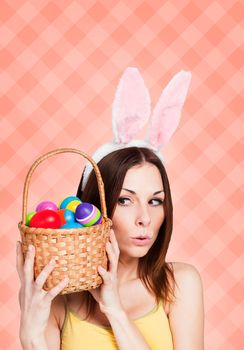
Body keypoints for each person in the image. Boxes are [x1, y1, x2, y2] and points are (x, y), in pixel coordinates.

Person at [16, 68, 204, 349]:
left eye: (155, 201)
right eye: (125, 200)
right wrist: (30, 335)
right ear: (93, 208)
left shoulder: (180, 284)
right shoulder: (57, 298)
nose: (145, 219)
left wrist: (114, 310)